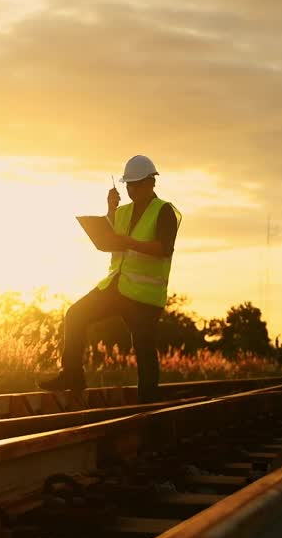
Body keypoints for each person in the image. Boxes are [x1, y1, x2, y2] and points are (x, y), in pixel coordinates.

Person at [39, 155, 181, 403]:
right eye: (128, 184)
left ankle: (147, 404)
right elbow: (109, 241)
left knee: (144, 348)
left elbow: (164, 248)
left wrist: (130, 243)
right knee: (75, 315)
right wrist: (110, 211)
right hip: (116, 285)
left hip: (145, 296)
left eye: (136, 184)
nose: (131, 189)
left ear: (151, 182)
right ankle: (72, 375)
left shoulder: (164, 211)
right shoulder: (123, 212)